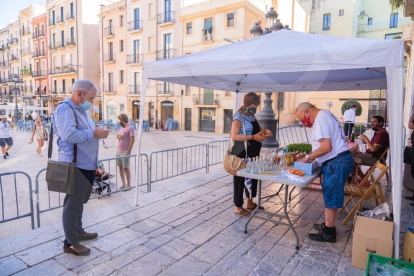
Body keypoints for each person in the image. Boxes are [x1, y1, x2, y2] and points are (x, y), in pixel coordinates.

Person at [52, 79, 109, 256]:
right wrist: (93, 133)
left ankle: (78, 231)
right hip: (74, 164)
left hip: (86, 164)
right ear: (79, 94)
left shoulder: (80, 111)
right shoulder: (64, 109)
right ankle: (70, 242)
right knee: (72, 204)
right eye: (91, 98)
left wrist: (96, 163)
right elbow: (68, 135)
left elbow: (86, 135)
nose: (92, 102)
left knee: (80, 203)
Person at [296, 102, 354, 243]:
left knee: (331, 195)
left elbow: (326, 147)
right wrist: (314, 156)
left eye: (302, 119)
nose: (304, 123)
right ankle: (328, 225)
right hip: (339, 160)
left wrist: (308, 157)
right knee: (330, 193)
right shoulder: (326, 114)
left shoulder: (321, 119)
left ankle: (329, 232)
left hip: (336, 162)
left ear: (307, 112)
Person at [231, 92, 272, 217]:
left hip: (253, 152)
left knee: (253, 177)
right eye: (254, 105)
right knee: (240, 179)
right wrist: (253, 137)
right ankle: (238, 207)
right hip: (241, 152)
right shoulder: (239, 116)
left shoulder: (251, 115)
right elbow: (234, 136)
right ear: (249, 103)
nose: (255, 108)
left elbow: (258, 131)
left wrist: (264, 132)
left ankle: (250, 202)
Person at [116, 113, 135, 190]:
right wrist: (117, 136)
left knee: (126, 168)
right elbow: (119, 135)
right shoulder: (121, 128)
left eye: (120, 120)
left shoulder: (130, 128)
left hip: (125, 151)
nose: (119, 121)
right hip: (118, 150)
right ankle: (123, 183)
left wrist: (128, 151)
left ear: (123, 120)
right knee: (120, 167)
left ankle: (128, 185)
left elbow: (132, 140)